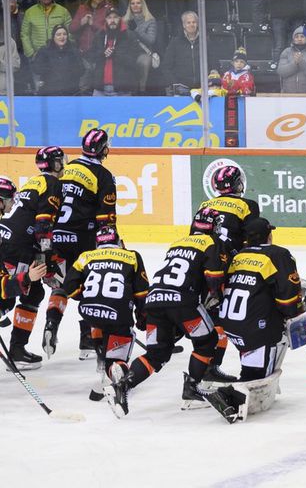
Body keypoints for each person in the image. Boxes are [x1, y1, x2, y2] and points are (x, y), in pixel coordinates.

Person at [112, 205, 230, 415]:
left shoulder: (176, 243)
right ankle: (191, 388)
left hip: (155, 300)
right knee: (207, 341)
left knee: (157, 354)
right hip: (183, 301)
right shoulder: (212, 242)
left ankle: (124, 385)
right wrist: (216, 297)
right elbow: (214, 277)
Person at [216, 217, 303, 423]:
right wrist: (294, 314)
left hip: (230, 323)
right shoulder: (278, 254)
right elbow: (288, 299)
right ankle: (235, 394)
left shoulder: (238, 256)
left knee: (252, 353)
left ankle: (246, 377)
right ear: (268, 235)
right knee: (258, 370)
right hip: (256, 326)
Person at [44, 128, 117, 359]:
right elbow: (106, 219)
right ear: (103, 149)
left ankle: (51, 323)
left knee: (60, 286)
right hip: (82, 240)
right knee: (90, 287)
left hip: (56, 236)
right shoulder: (104, 176)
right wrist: (112, 243)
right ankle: (89, 340)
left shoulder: (66, 169)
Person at [61, 225, 148, 408]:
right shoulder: (132, 256)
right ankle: (116, 367)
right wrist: (142, 316)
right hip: (118, 314)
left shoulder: (85, 256)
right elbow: (142, 292)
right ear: (118, 242)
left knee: (99, 319)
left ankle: (102, 357)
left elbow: (69, 288)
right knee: (120, 339)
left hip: (90, 313)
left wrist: (88, 295)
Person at [0, 144, 64, 369]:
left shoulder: (35, 182)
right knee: (15, 290)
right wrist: (47, 258)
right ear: (56, 164)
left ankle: (17, 349)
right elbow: (43, 225)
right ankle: (16, 349)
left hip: (10, 239)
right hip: (19, 246)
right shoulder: (53, 183)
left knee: (32, 290)